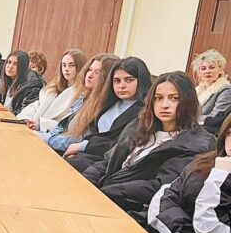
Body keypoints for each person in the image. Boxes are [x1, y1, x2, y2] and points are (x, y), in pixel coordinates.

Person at [82, 71, 214, 212]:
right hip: (106, 193)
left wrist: (107, 192)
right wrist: (85, 182)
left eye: (174, 98)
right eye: (158, 98)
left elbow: (158, 186)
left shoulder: (194, 143)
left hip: (134, 207)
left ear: (188, 102)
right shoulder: (140, 126)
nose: (164, 105)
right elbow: (108, 161)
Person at [148, 115, 231, 233]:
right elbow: (164, 197)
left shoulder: (220, 172)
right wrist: (183, 230)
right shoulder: (205, 164)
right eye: (230, 133)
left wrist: (220, 178)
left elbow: (210, 228)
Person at [63, 57, 152, 171]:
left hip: (106, 163)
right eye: (117, 81)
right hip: (84, 153)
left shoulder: (144, 112)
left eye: (129, 80)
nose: (122, 85)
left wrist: (84, 146)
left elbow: (121, 145)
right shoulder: (109, 102)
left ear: (141, 80)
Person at [45, 53, 121, 152]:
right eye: (90, 69)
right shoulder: (83, 97)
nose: (89, 75)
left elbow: (75, 141)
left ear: (107, 78)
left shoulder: (103, 109)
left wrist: (47, 139)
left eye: (97, 72)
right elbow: (62, 126)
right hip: (56, 143)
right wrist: (46, 136)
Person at [19, 49, 88, 130]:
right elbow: (37, 105)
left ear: (81, 67)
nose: (66, 69)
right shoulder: (53, 87)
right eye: (64, 65)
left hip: (49, 133)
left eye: (72, 65)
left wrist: (41, 124)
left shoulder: (81, 94)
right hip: (32, 126)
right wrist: (27, 117)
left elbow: (67, 124)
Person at [192, 49, 231, 134]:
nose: (207, 71)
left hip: (207, 133)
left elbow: (216, 118)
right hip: (191, 128)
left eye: (212, 67)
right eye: (203, 68)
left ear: (220, 69)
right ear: (199, 73)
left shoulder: (226, 90)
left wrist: (188, 120)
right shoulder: (196, 91)